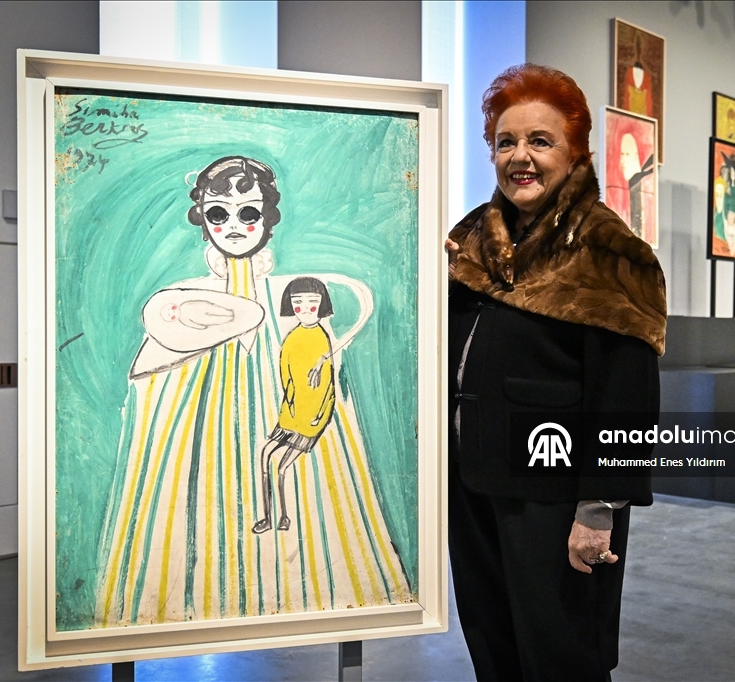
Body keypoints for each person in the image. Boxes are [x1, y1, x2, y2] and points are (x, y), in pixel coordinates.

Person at [97, 156, 410, 627]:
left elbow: (327, 380)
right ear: (202, 219)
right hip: (203, 448)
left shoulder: (294, 298)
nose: (233, 225)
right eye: (217, 213)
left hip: (292, 420)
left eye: (248, 213)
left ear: (268, 219)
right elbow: (150, 390)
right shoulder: (184, 299)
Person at [444, 64, 666, 680]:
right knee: (493, 648)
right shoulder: (471, 242)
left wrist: (598, 509)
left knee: (563, 657)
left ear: (575, 154)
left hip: (555, 499)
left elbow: (627, 399)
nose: (520, 157)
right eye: (505, 142)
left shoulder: (611, 253)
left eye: (540, 141)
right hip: (474, 485)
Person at [253, 277, 336, 534]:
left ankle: (284, 516)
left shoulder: (322, 340)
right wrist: (288, 407)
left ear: (322, 304)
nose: (305, 308)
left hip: (311, 420)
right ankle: (267, 517)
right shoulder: (292, 338)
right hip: (290, 416)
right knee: (265, 455)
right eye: (298, 302)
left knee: (281, 466)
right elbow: (286, 377)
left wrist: (319, 417)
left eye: (312, 302)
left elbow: (328, 388)